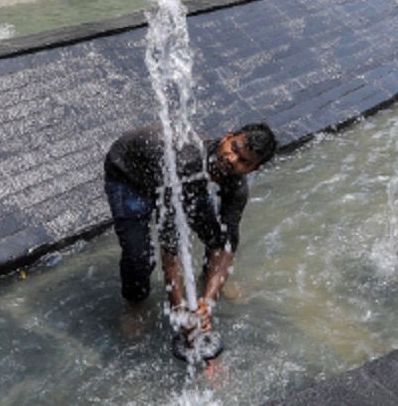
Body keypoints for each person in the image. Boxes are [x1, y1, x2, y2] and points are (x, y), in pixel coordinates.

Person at [103, 122, 277, 338]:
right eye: (234, 149)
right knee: (138, 256)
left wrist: (208, 301)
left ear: (254, 169)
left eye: (244, 161)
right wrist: (179, 310)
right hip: (129, 177)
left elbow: (228, 242)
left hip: (179, 182)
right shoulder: (187, 161)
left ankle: (211, 281)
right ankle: (135, 303)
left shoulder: (236, 187)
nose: (232, 159)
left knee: (216, 236)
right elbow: (171, 244)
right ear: (227, 137)